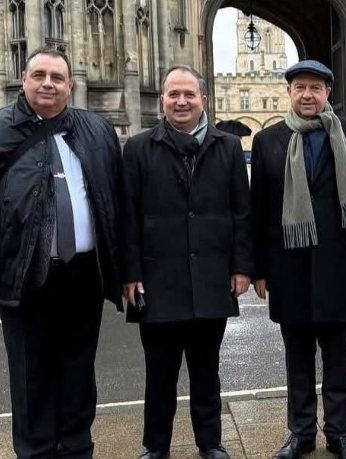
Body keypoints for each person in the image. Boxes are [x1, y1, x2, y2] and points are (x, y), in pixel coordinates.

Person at [0, 48, 122, 459]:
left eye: (57, 78)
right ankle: (36, 450)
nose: (48, 84)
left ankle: (77, 447)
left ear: (70, 85)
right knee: (31, 374)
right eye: (40, 75)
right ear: (24, 80)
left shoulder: (97, 129)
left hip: (84, 273)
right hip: (25, 271)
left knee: (79, 369)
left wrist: (125, 269)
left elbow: (115, 200)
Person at [120, 65, 253, 459]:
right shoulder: (138, 148)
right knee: (159, 375)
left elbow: (241, 212)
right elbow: (127, 217)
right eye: (174, 94)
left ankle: (210, 443)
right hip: (156, 279)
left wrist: (241, 267)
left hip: (211, 277)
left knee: (206, 371)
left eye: (189, 94)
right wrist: (130, 273)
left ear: (203, 100)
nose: (181, 102)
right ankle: (155, 446)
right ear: (163, 99)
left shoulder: (228, 147)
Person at [250, 60, 346, 459]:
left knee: (338, 359)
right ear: (289, 92)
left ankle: (339, 434)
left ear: (327, 93)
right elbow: (259, 211)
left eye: (315, 88)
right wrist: (259, 270)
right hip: (289, 268)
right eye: (300, 87)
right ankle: (301, 434)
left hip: (340, 265)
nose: (308, 95)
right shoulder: (268, 141)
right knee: (298, 360)